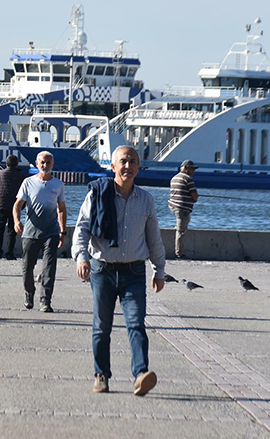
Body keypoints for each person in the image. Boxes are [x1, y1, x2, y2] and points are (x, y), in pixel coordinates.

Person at [72, 145, 165, 396]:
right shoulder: (98, 194)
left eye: (133, 161)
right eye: (123, 161)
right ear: (112, 166)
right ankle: (101, 375)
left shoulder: (146, 199)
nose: (128, 166)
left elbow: (153, 237)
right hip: (102, 270)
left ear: (138, 166)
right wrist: (82, 257)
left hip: (134, 272)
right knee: (102, 327)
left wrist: (159, 269)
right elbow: (81, 228)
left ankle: (141, 374)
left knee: (136, 323)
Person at [13, 151, 67, 312]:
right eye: (42, 162)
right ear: (37, 164)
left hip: (51, 232)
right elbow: (17, 205)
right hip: (30, 232)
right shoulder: (28, 183)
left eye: (48, 163)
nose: (45, 165)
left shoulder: (58, 185)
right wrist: (17, 221)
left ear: (53, 164)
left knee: (49, 267)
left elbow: (62, 209)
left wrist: (63, 231)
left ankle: (45, 300)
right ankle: (29, 293)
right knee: (27, 267)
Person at [0, 155, 27, 259]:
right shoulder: (21, 176)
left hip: (1, 205)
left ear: (7, 164)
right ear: (17, 164)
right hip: (15, 206)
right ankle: (9, 253)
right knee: (12, 230)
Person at [169, 160, 199, 258]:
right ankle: (179, 253)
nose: (193, 171)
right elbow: (194, 196)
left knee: (180, 227)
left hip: (173, 206)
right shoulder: (188, 179)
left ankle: (178, 249)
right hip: (182, 209)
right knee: (181, 231)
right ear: (186, 167)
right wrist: (195, 198)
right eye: (192, 169)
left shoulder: (174, 178)